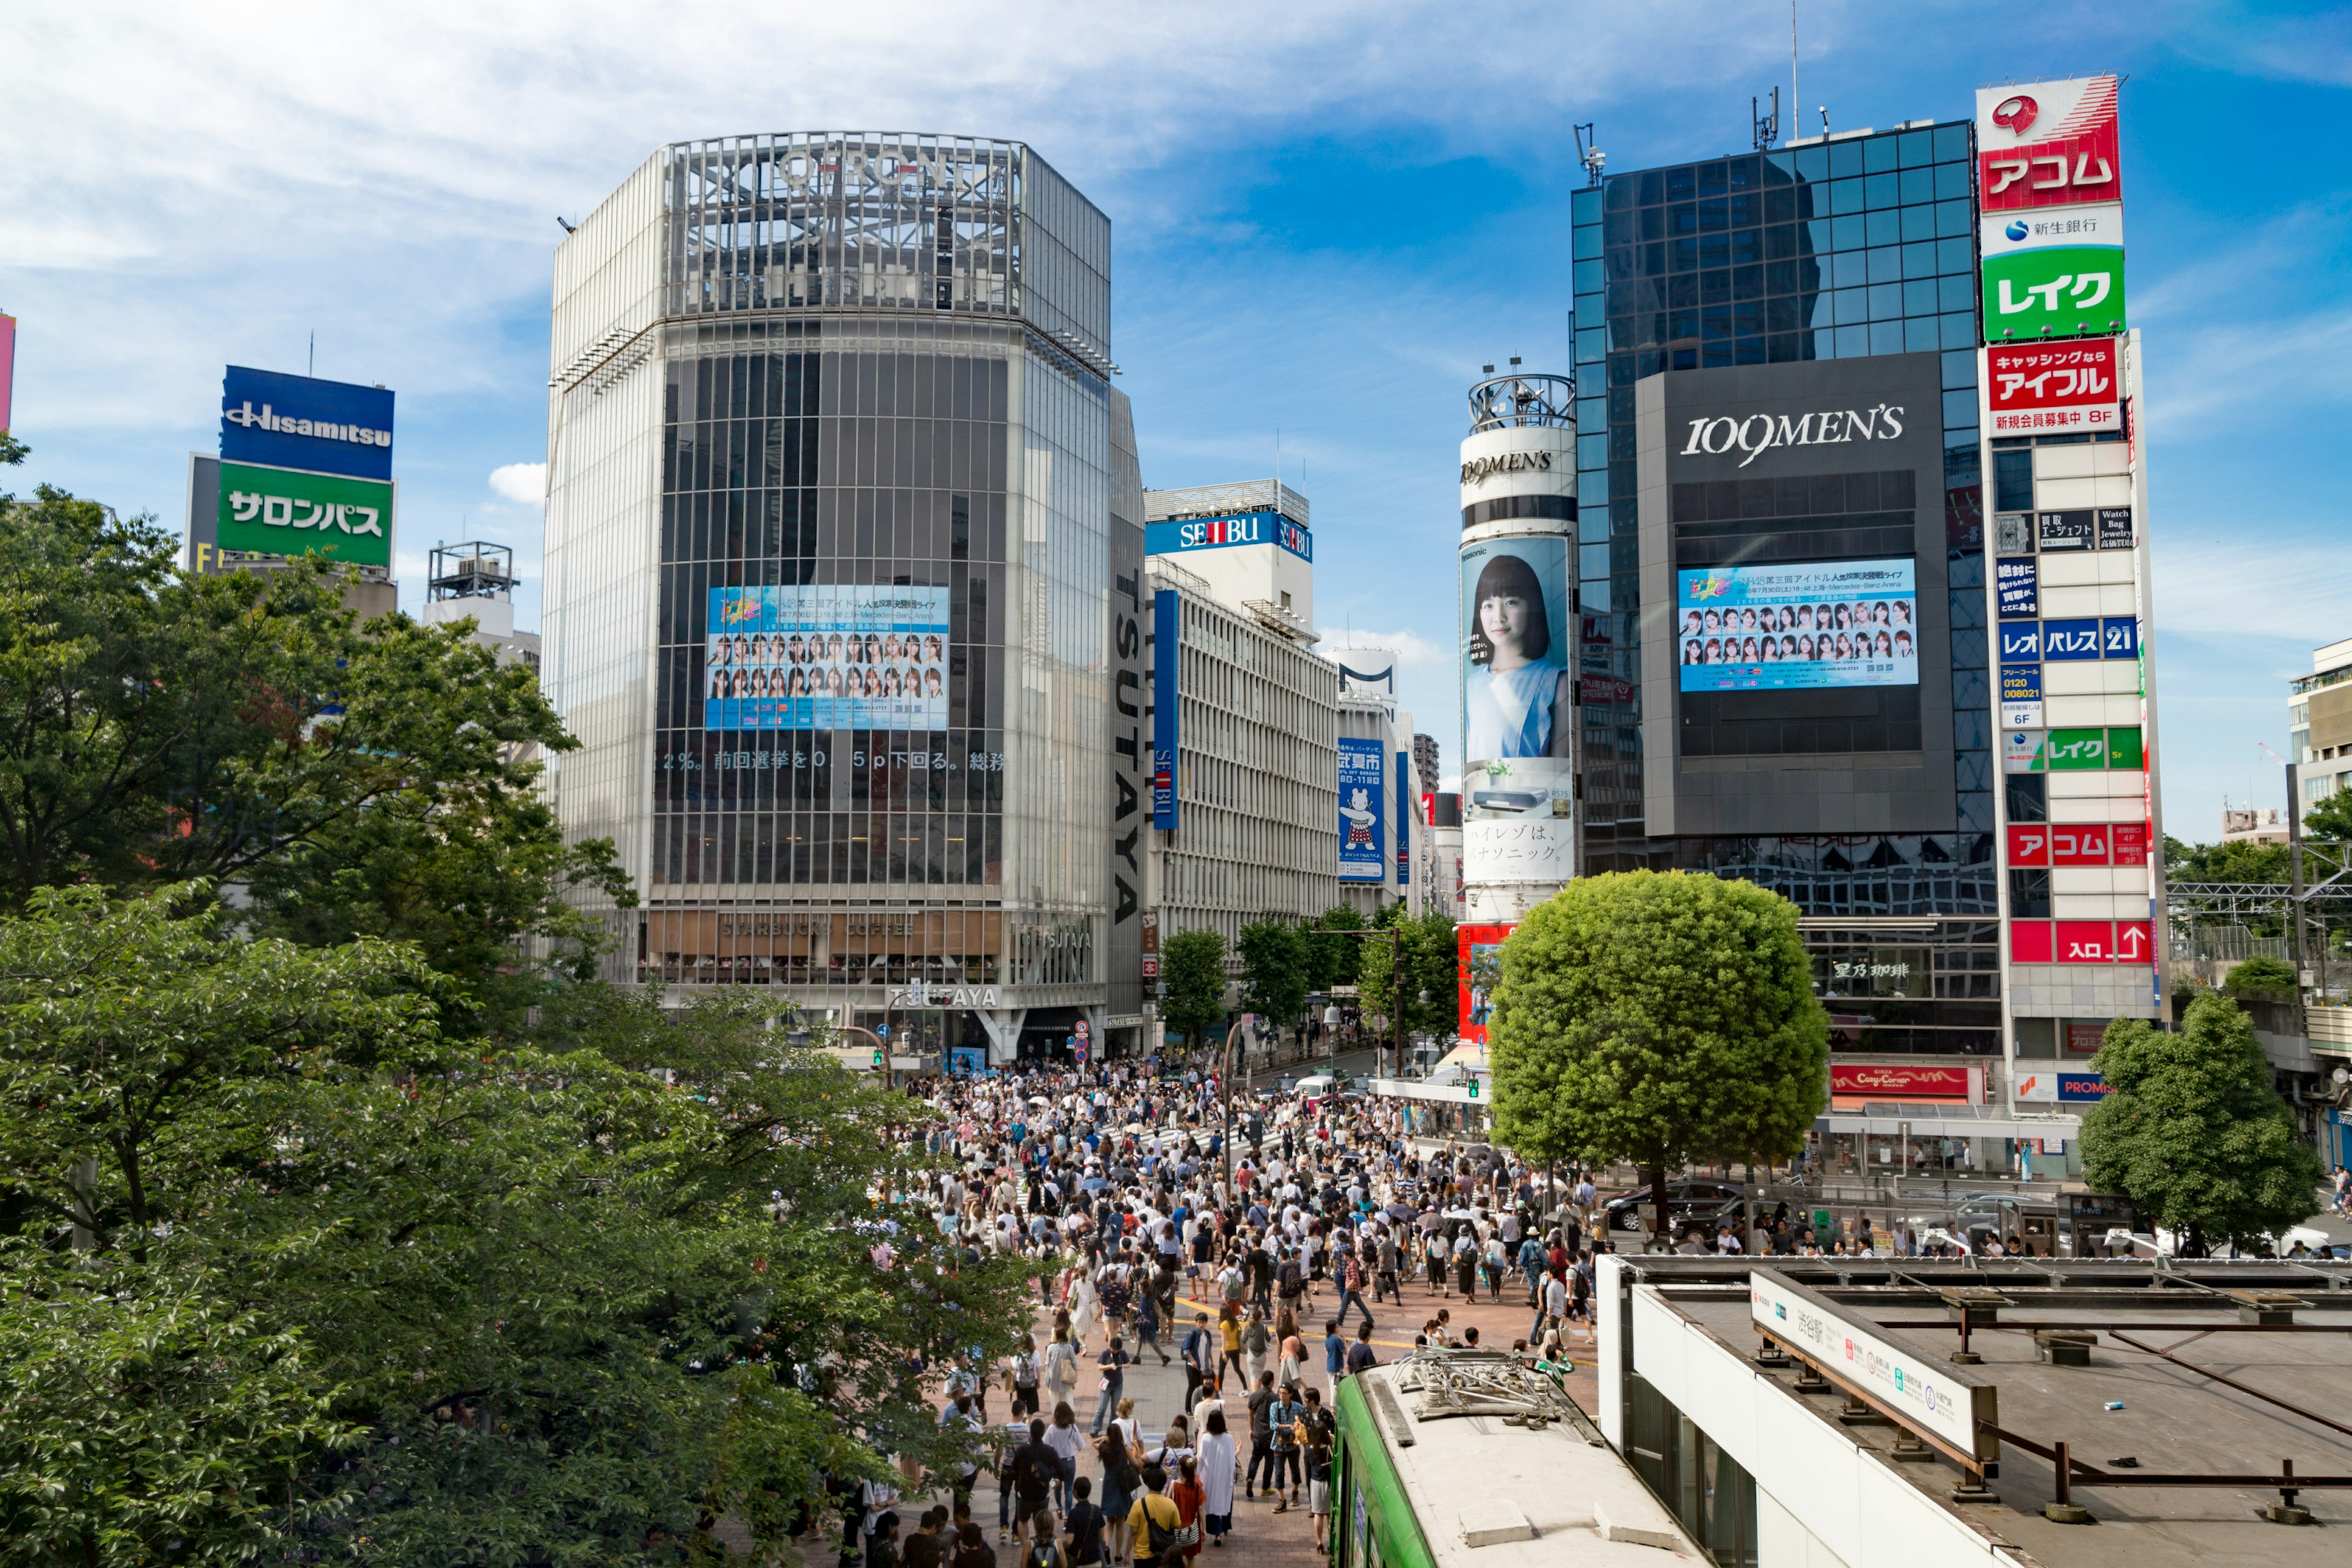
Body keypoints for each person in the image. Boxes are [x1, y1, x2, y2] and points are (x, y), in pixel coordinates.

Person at [1463, 551, 1571, 761]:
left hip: (1532, 793)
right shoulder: (1473, 682)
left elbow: (1562, 769)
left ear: (1531, 606)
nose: (1499, 617)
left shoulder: (1556, 682)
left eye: (1510, 602)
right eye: (1488, 605)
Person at [1298, 1388, 1336, 1550]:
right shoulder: (1329, 1448)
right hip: (1328, 1481)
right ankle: (1331, 1542)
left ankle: (1319, 1542)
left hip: (1316, 1481)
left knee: (1319, 1514)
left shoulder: (1309, 1450)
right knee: (1329, 1514)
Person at [1127, 1464, 1186, 1568]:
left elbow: (1133, 1532)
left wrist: (1127, 1553)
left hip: (1142, 1556)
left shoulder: (1138, 1504)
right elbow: (1177, 1526)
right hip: (1163, 1554)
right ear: (1164, 1485)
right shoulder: (1170, 1504)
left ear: (1148, 1484)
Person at [1197, 1411, 1237, 1548]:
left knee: (1209, 1503)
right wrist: (1231, 1478)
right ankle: (1221, 1530)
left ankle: (1215, 1530)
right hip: (1223, 1476)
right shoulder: (1228, 1439)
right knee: (1222, 1502)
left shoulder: (1205, 1438)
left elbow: (1200, 1459)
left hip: (1207, 1476)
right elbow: (1232, 1460)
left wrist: (1197, 1476)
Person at [1045, 1401, 1087, 1513]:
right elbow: (1081, 1445)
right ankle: (1068, 1514)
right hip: (1069, 1462)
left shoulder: (1052, 1429)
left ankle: (1059, 1507)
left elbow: (1045, 1444)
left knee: (1057, 1487)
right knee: (1069, 1489)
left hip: (1056, 1463)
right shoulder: (1073, 1428)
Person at [1092, 1337, 1131, 1435]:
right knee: (1102, 1408)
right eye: (1114, 1349)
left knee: (1115, 1409)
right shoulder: (1105, 1354)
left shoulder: (1122, 1353)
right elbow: (1100, 1367)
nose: (1116, 1351)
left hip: (1118, 1384)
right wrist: (1110, 1366)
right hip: (1106, 1384)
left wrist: (1123, 1366)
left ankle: (1112, 1429)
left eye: (1118, 1349)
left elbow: (1128, 1363)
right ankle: (1096, 1428)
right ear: (1110, 1347)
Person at [1062, 1479, 1105, 1568]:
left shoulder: (1073, 1513)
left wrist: (1060, 1545)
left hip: (1081, 1562)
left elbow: (1069, 1541)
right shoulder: (1096, 1510)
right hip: (1096, 1560)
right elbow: (1101, 1535)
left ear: (1075, 1492)